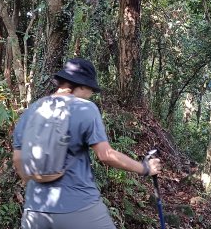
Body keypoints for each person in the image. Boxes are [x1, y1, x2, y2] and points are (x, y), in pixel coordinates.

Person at [12, 58, 162, 229]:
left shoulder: (32, 110)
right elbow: (105, 155)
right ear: (81, 85)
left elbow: (18, 160)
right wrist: (145, 168)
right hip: (79, 207)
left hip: (34, 212)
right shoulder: (85, 108)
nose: (91, 93)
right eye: (91, 88)